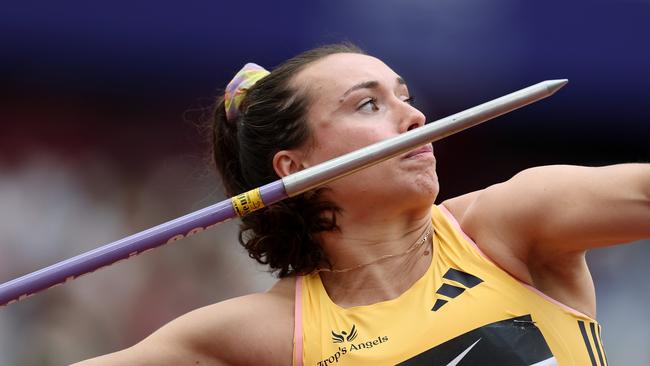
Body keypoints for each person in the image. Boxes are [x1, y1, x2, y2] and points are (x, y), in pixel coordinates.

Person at [75, 43, 650, 365]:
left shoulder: (511, 229)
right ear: (294, 169)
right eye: (368, 106)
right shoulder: (265, 334)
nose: (415, 117)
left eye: (404, 96)